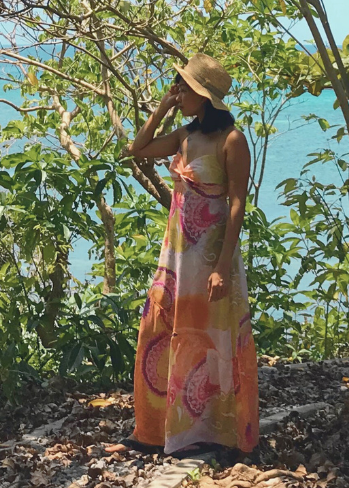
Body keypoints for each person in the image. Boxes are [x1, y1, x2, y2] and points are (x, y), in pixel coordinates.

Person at [106, 53, 259, 458]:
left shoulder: (232, 141)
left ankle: (224, 435)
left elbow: (238, 204)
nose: (178, 92)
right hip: (176, 255)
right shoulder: (185, 136)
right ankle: (156, 430)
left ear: (204, 97)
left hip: (211, 257)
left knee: (215, 338)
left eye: (184, 88)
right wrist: (162, 107)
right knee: (164, 327)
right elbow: (136, 150)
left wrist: (223, 267)